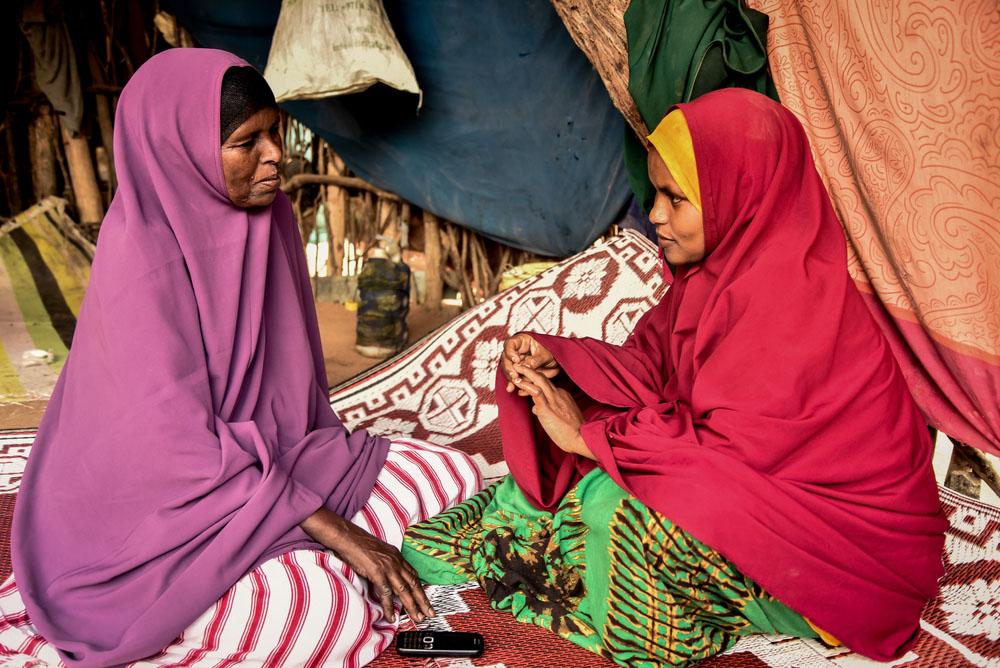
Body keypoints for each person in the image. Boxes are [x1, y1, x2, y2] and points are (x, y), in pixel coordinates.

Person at [403, 89, 947, 665]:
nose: (656, 214)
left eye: (675, 198)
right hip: (756, 495)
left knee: (617, 510)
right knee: (565, 475)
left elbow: (734, 464)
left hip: (840, 556)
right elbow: (655, 369)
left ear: (738, 196)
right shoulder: (714, 279)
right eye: (656, 193)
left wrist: (587, 438)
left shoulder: (791, 305)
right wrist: (563, 361)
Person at [2, 48, 480, 667]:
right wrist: (343, 534)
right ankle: (310, 565)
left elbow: (292, 410)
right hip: (163, 511)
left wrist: (316, 513)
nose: (275, 155)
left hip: (275, 463)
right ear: (182, 152)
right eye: (245, 142)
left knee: (453, 476)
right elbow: (172, 454)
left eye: (275, 133)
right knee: (318, 617)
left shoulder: (270, 217)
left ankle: (312, 550)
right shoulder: (140, 258)